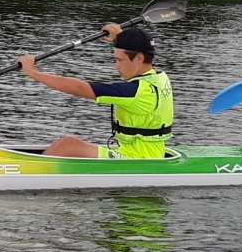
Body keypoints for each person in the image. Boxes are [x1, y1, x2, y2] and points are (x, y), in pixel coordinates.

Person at [16, 26, 173, 159]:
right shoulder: (158, 78)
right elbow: (134, 52)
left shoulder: (136, 92)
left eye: (120, 60)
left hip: (137, 158)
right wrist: (121, 38)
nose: (116, 66)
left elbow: (80, 88)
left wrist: (33, 73)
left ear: (139, 58)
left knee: (68, 145)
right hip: (149, 152)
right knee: (61, 143)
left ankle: (27, 174)